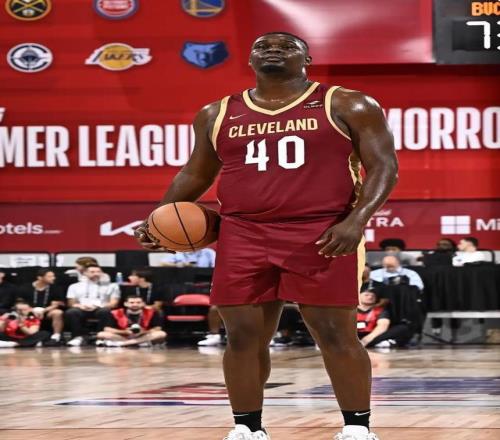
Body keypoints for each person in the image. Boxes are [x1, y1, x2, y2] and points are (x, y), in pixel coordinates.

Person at [135, 31, 398, 440]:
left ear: (307, 58)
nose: (273, 50)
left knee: (334, 333)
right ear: (250, 60)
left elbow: (384, 166)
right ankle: (247, 428)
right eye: (262, 46)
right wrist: (159, 217)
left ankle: (357, 428)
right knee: (241, 335)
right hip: (242, 231)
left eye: (286, 46)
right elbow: (196, 173)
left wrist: (356, 220)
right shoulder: (216, 113)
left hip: (322, 229)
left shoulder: (347, 103)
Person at [65, 265, 120, 346]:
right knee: (72, 312)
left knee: (105, 311)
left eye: (98, 272)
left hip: (100, 307)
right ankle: (77, 337)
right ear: (85, 273)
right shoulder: (74, 286)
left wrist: (99, 306)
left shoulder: (112, 286)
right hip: (82, 308)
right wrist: (80, 306)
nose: (96, 274)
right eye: (92, 272)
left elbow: (114, 303)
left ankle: (101, 337)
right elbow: (71, 303)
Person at [96, 295, 166, 347]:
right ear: (125, 304)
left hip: (142, 336)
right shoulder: (115, 313)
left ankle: (125, 344)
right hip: (123, 336)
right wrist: (124, 332)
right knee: (102, 334)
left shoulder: (152, 312)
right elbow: (107, 329)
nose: (135, 304)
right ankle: (139, 343)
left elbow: (158, 328)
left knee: (161, 334)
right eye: (132, 302)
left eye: (138, 302)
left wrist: (143, 332)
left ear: (143, 304)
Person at [17, 269, 65, 345]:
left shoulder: (55, 288)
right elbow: (19, 303)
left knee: (58, 312)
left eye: (53, 276)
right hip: (29, 311)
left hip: (47, 311)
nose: (53, 278)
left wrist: (43, 311)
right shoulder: (25, 287)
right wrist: (31, 310)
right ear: (40, 278)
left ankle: (56, 336)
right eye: (50, 276)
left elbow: (55, 304)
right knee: (19, 311)